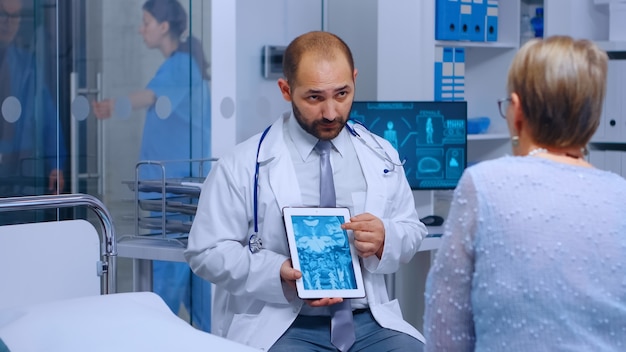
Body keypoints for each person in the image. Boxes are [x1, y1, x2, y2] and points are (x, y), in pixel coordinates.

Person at [185, 31, 427, 351]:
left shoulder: (380, 154)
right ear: (286, 90)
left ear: (354, 80)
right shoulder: (242, 164)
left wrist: (385, 238)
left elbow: (412, 229)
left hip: (369, 321)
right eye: (314, 97)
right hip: (284, 322)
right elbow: (205, 252)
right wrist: (277, 272)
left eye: (342, 94)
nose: (330, 112)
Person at [423, 36, 626, 351]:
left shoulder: (483, 184)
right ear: (594, 120)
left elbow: (445, 332)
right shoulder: (620, 195)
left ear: (516, 113)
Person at [92, 0, 211, 332]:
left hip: (174, 191)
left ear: (163, 26)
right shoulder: (182, 64)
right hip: (175, 188)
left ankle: (157, 337)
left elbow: (149, 97)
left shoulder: (181, 65)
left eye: (145, 22)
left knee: (168, 284)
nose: (140, 28)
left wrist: (112, 105)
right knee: (191, 282)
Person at [0, 0, 65, 223]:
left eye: (16, 16)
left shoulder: (27, 65)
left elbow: (48, 117)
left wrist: (56, 163)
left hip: (21, 171)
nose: (9, 23)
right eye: (3, 15)